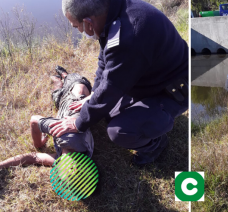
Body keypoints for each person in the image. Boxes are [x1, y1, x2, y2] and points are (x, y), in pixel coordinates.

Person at [51, 0, 188, 165]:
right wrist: (93, 95)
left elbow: (111, 87)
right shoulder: (113, 11)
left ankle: (155, 145)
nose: (79, 31)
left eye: (76, 27)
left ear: (88, 23)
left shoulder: (130, 35)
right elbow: (105, 61)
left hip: (173, 90)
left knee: (119, 131)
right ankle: (147, 116)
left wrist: (79, 123)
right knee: (106, 111)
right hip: (152, 77)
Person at [0, 67, 94, 169]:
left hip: (62, 101)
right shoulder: (63, 133)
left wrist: (1, 165)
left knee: (56, 92)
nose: (71, 168)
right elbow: (34, 120)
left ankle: (57, 79)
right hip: (77, 89)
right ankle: (64, 75)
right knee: (71, 81)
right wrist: (38, 144)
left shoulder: (59, 161)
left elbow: (32, 158)